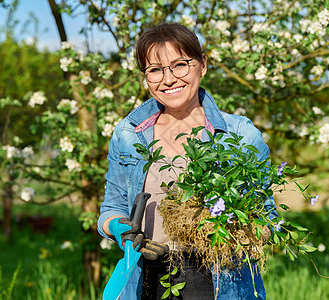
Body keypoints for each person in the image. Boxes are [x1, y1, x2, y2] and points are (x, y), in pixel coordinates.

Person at [98, 22, 277, 299]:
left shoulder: (240, 135)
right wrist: (123, 230)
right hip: (146, 279)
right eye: (155, 70)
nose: (168, 79)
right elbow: (111, 209)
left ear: (202, 65)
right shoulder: (127, 135)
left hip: (218, 283)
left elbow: (267, 220)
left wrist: (229, 229)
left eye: (180, 65)